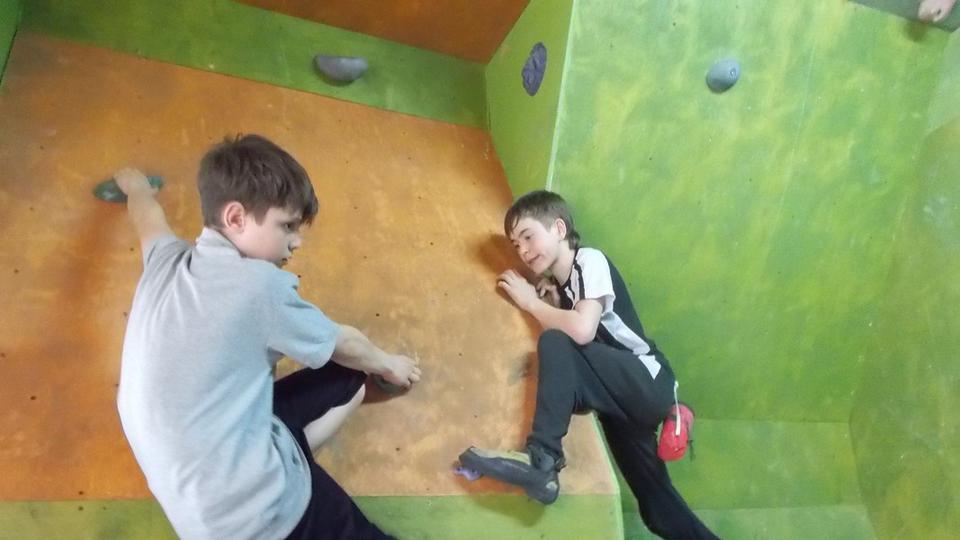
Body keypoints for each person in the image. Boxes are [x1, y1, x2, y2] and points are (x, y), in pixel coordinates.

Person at [115, 134, 421, 540]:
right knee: (355, 362)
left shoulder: (164, 261)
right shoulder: (258, 287)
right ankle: (293, 473)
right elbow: (346, 344)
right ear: (236, 218)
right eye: (287, 226)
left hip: (198, 509)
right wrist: (392, 365)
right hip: (258, 518)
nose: (297, 241)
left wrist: (136, 188)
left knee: (348, 376)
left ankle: (294, 455)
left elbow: (148, 219)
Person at [459, 190, 717, 539]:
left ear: (559, 229)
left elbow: (581, 331)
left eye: (528, 237)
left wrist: (530, 303)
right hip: (618, 402)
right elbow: (571, 363)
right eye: (516, 245)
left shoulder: (589, 260)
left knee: (554, 340)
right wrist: (554, 305)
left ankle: (543, 460)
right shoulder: (563, 289)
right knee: (658, 508)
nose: (523, 251)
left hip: (648, 379)